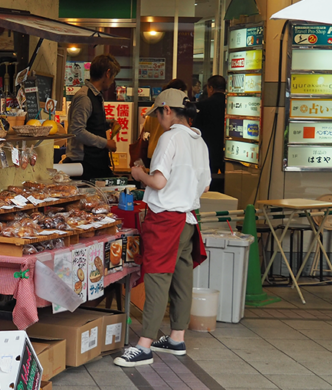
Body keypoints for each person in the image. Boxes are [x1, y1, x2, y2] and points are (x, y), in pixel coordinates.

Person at [115, 89, 211, 368]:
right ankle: (176, 338)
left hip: (165, 218)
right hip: (189, 219)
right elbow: (205, 185)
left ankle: (144, 345)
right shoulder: (199, 141)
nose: (157, 119)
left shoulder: (170, 138)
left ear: (167, 110)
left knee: (157, 278)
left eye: (157, 113)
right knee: (182, 278)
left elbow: (158, 182)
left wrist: (138, 174)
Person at [65, 54, 120, 179]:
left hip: (96, 162)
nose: (112, 82)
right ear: (107, 73)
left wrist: (107, 123)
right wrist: (106, 143)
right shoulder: (84, 97)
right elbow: (77, 131)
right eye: (113, 77)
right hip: (84, 164)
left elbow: (90, 123)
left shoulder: (95, 95)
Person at [139, 79, 188, 168]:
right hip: (169, 153)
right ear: (179, 91)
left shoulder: (156, 106)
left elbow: (147, 128)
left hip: (153, 150)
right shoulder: (178, 110)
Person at [193, 75, 227, 192]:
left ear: (210, 88)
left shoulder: (202, 105)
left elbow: (196, 130)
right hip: (228, 151)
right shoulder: (230, 104)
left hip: (208, 150)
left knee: (208, 182)